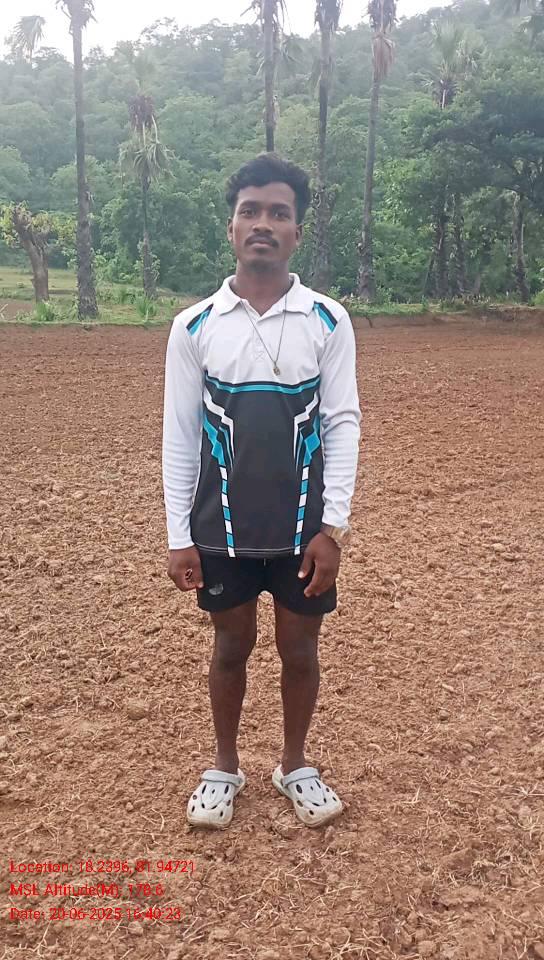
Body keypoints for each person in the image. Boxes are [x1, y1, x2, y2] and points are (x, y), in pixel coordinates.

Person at [162, 154, 361, 830]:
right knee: (230, 647)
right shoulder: (194, 326)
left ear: (297, 232)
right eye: (250, 211)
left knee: (300, 651)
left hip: (304, 530)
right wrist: (179, 536)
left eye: (279, 213)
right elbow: (179, 435)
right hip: (221, 529)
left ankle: (294, 765)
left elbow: (343, 422)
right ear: (231, 227)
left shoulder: (328, 319)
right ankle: (224, 767)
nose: (263, 224)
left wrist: (332, 528)